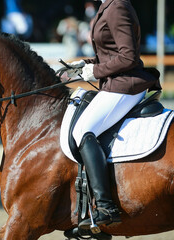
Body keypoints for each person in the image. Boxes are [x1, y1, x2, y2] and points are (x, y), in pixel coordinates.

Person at [66, 0, 161, 229]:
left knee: (82, 130)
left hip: (125, 86)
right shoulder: (106, 6)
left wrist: (95, 71)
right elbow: (111, 52)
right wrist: (86, 63)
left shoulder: (117, 6)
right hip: (114, 83)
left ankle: (106, 207)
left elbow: (128, 57)